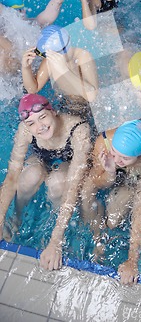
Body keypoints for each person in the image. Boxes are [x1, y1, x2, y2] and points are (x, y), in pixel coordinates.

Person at [0, 94, 91, 270]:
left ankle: (54, 225)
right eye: (31, 123)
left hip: (69, 160)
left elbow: (73, 187)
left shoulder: (78, 129)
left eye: (43, 117)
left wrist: (56, 241)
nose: (39, 127)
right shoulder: (25, 130)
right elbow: (12, 176)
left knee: (57, 182)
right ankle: (17, 216)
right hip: (42, 156)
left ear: (53, 111)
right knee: (29, 176)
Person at [80, 120, 141, 275]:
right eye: (114, 153)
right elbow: (96, 181)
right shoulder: (104, 142)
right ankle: (94, 236)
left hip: (137, 178)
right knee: (86, 191)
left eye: (124, 158)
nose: (117, 160)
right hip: (115, 173)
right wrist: (110, 172)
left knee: (114, 218)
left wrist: (132, 260)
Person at [21, 25, 98, 108]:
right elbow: (32, 89)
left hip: (87, 106)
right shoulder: (50, 61)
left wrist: (65, 70)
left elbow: (92, 96)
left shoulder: (83, 56)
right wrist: (26, 68)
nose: (48, 58)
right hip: (64, 103)